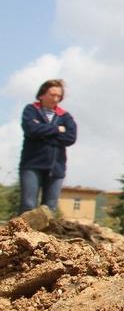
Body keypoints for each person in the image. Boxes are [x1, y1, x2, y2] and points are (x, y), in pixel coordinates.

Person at [18, 79, 77, 213]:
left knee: (49, 209)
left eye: (59, 96)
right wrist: (57, 129)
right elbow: (31, 130)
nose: (55, 99)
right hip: (32, 165)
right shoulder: (31, 110)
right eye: (52, 95)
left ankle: (44, 229)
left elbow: (70, 138)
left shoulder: (65, 116)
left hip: (56, 168)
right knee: (28, 205)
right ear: (41, 95)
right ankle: (20, 228)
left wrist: (42, 133)